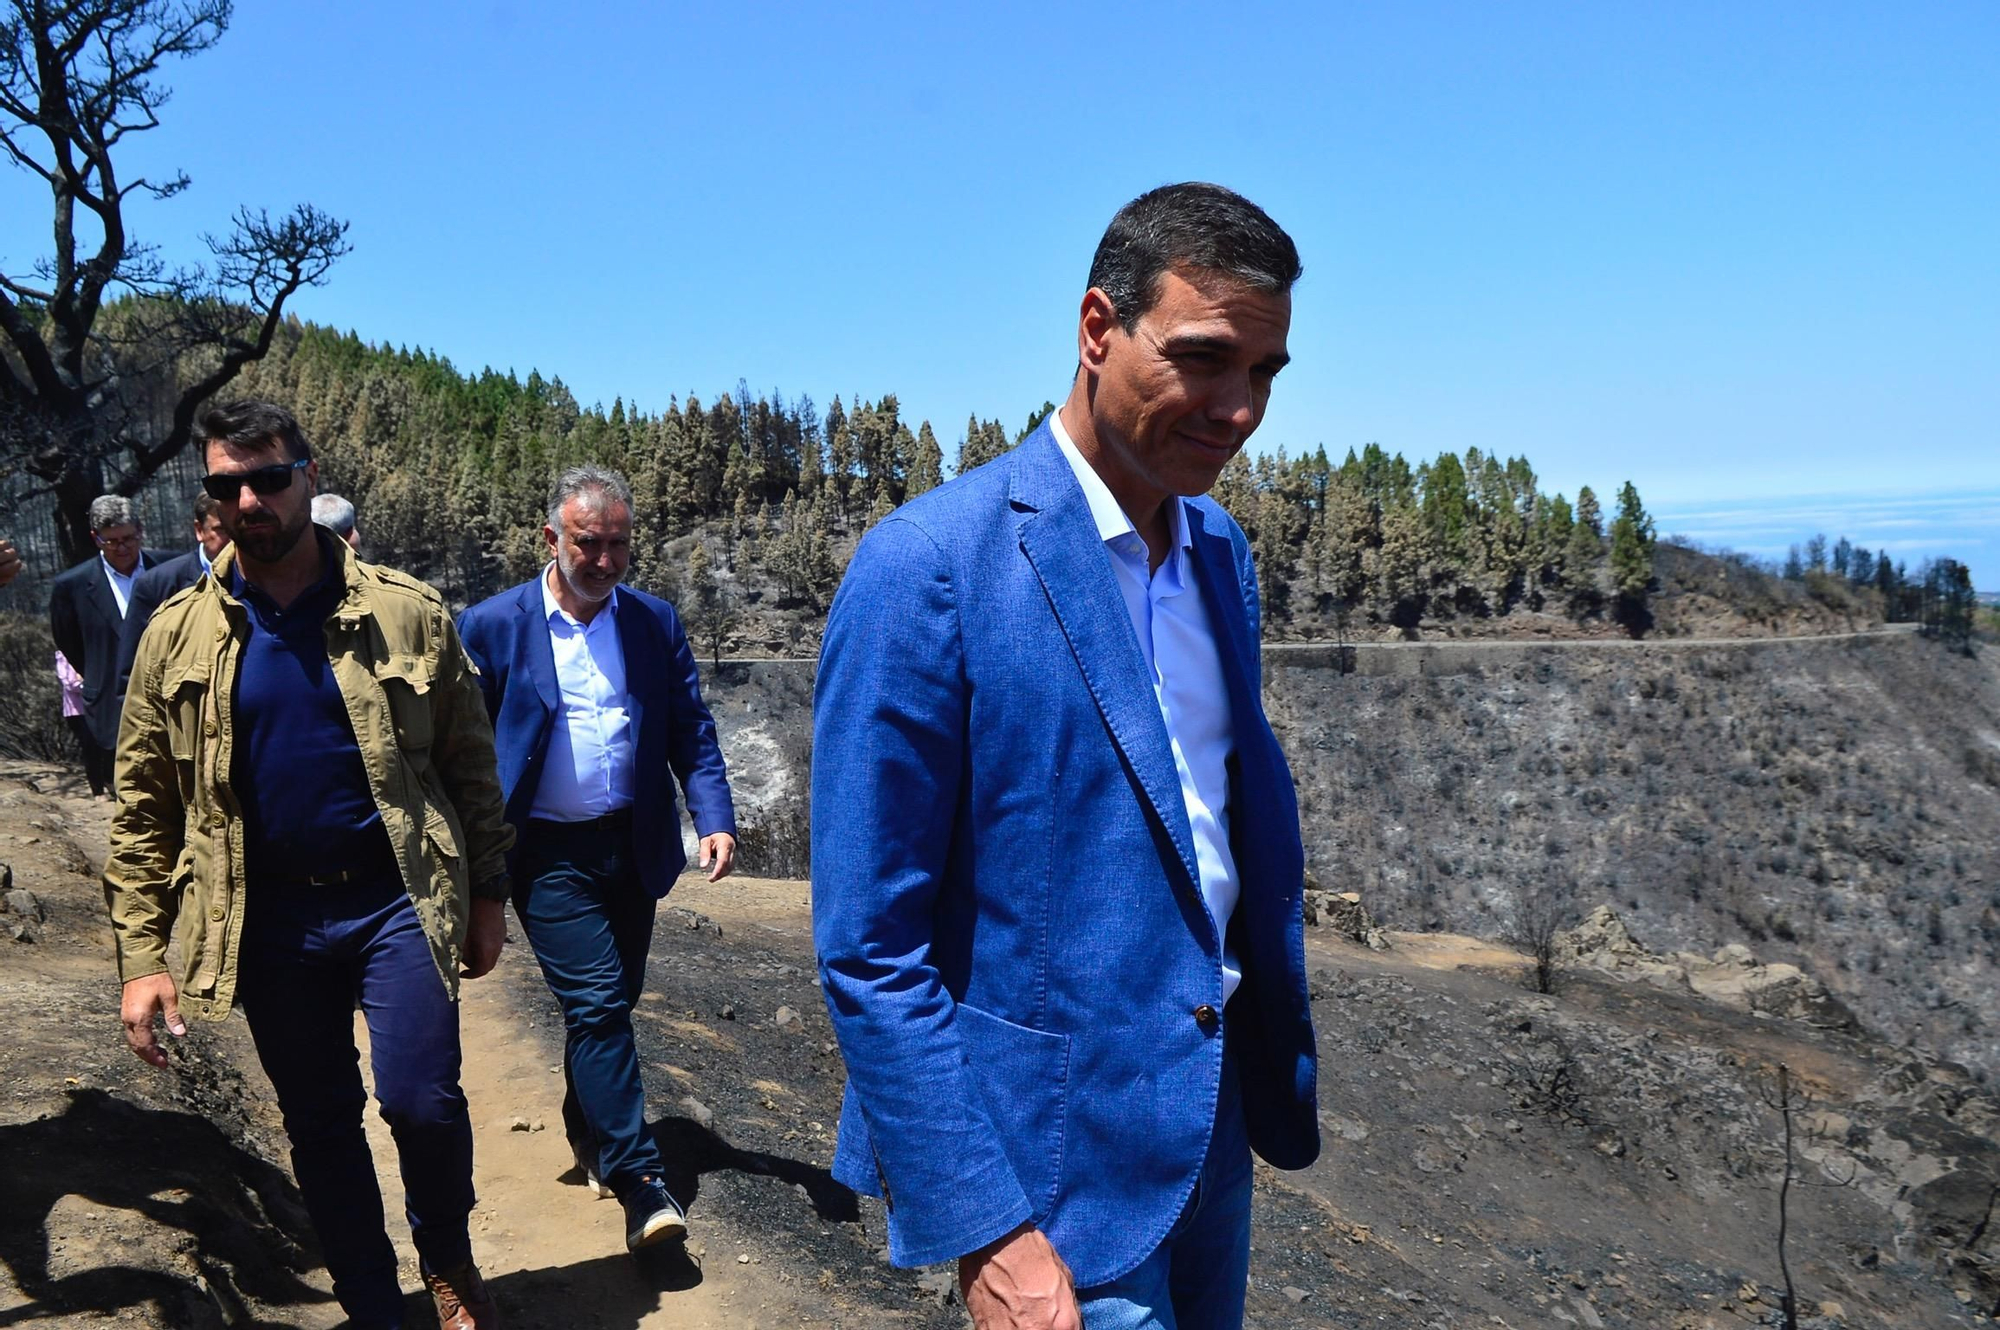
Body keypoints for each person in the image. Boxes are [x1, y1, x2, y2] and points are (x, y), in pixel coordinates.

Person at [811, 182, 1319, 1330]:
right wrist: (982, 1224)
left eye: (1265, 374)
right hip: (1045, 1169)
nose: (1237, 409)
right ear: (1097, 329)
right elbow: (868, 945)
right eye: (1203, 360)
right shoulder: (927, 568)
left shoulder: (1219, 550)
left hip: (1204, 1120)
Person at [105, 400, 515, 1330]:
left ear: (306, 477)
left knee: (422, 1101)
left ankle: (447, 1260)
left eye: (267, 478)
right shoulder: (174, 634)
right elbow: (141, 811)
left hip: (392, 900)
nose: (248, 498)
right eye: (226, 485)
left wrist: (488, 894)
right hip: (268, 920)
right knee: (321, 1122)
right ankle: (370, 1296)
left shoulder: (406, 614)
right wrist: (142, 958)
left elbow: (468, 767)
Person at [458, 465, 736, 1255]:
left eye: (619, 545)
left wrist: (711, 815)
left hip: (633, 844)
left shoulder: (653, 622)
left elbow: (692, 727)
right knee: (599, 1004)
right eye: (590, 544)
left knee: (614, 1003)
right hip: (543, 853)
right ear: (552, 539)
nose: (606, 561)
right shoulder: (492, 626)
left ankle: (587, 1131)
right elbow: (461, 748)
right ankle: (641, 1180)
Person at [48, 496, 167, 799]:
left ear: (140, 530)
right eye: (111, 541)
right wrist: (98, 673)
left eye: (128, 538)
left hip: (170, 701)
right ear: (95, 538)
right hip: (110, 707)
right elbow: (67, 639)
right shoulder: (71, 586)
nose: (122, 547)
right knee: (127, 797)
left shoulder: (170, 569)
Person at [114, 491, 231, 696]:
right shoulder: (156, 586)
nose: (232, 538)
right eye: (221, 529)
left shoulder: (267, 577)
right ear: (199, 530)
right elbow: (133, 676)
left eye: (236, 527)